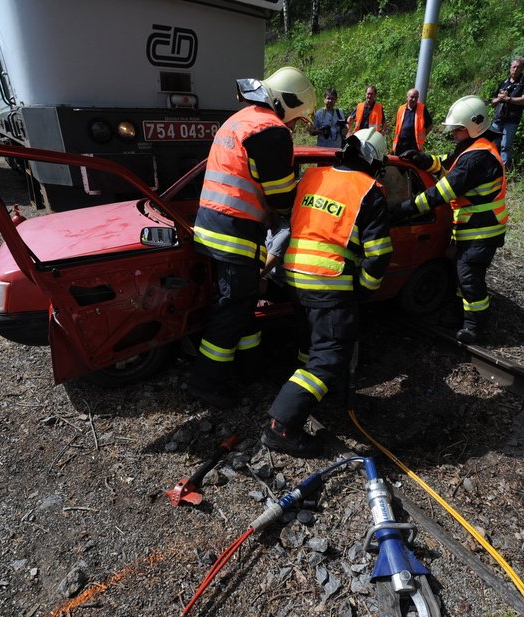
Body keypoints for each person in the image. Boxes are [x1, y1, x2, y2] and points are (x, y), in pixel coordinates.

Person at [188, 66, 316, 409]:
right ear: (288, 104)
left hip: (212, 224)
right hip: (235, 232)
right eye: (296, 119)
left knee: (242, 305)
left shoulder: (241, 119)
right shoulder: (271, 131)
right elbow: (281, 197)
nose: (293, 126)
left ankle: (249, 369)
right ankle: (205, 382)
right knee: (232, 310)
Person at [262, 128, 393, 456]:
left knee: (311, 340)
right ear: (374, 163)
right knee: (331, 354)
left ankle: (311, 393)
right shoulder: (369, 191)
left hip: (292, 273)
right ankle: (281, 426)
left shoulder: (312, 176)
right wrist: (363, 289)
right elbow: (379, 253)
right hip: (327, 280)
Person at [395, 96, 507, 345]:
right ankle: (459, 313)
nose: (453, 134)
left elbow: (443, 191)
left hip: (482, 228)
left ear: (472, 126)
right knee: (462, 272)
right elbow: (448, 163)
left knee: (469, 276)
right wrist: (426, 161)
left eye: (457, 130)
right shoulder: (472, 148)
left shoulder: (477, 157)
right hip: (473, 225)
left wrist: (406, 208)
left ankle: (475, 326)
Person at [489, 57, 524, 167]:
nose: (515, 69)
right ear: (510, 68)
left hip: (512, 119)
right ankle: (493, 167)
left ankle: (504, 169)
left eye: (518, 67)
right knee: (493, 144)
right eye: (513, 67)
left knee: (505, 145)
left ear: (522, 68)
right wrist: (499, 99)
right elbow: (493, 102)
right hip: (498, 117)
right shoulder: (503, 83)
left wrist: (508, 99)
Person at [392, 87, 433, 154]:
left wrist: (423, 135)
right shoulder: (401, 109)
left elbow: (430, 125)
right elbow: (397, 126)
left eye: (416, 97)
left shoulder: (422, 109)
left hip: (414, 145)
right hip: (400, 144)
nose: (414, 99)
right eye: (412, 97)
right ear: (407, 98)